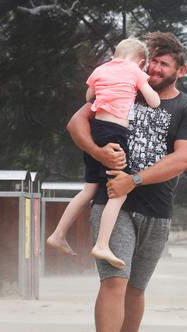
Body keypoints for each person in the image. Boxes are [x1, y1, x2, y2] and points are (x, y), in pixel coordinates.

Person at [66, 32, 187, 332]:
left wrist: (136, 179)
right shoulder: (125, 85)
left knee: (136, 289)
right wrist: (99, 152)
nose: (155, 69)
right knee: (114, 281)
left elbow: (183, 159)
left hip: (157, 208)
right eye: (152, 61)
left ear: (180, 71)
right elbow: (75, 124)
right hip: (113, 202)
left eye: (164, 64)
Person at [46, 38, 160, 270]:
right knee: (119, 192)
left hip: (96, 130)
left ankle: (58, 233)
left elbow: (89, 97)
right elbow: (154, 101)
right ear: (140, 62)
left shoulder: (100, 69)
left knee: (89, 189)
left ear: (115, 55)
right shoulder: (134, 71)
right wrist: (139, 86)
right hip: (115, 133)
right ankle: (102, 244)